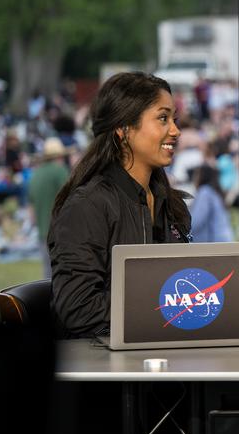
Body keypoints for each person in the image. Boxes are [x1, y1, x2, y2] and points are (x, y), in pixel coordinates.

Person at [48, 72, 192, 338]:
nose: (175, 130)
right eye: (163, 118)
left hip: (166, 364)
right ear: (123, 129)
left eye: (174, 119)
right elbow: (78, 310)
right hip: (106, 370)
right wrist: (162, 306)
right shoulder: (87, 206)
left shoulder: (172, 206)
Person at [28, 137, 70, 278]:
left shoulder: (36, 174)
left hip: (42, 231)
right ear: (59, 156)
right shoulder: (60, 171)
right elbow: (70, 199)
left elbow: (31, 210)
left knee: (47, 274)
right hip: (60, 231)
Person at [188, 164, 233, 243]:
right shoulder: (215, 192)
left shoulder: (205, 192)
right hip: (224, 241)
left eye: (196, 174)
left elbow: (196, 221)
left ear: (202, 176)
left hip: (216, 243)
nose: (194, 178)